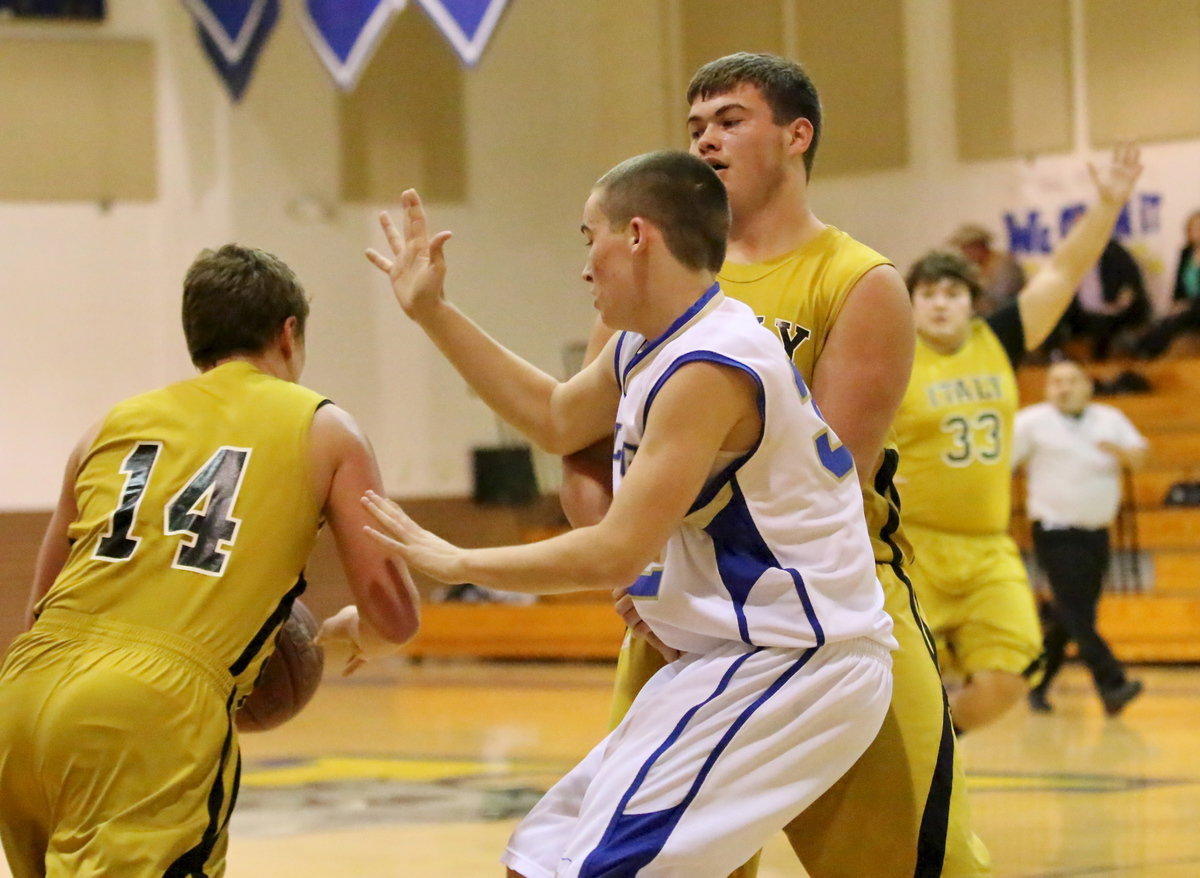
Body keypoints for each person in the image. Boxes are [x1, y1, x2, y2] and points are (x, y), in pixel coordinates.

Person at [363, 151, 897, 878]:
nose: (585, 265)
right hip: (734, 657)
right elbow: (554, 418)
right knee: (539, 861)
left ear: (637, 236)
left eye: (590, 237)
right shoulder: (656, 344)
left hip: (796, 664)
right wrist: (431, 311)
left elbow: (615, 551)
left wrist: (458, 562)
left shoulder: (711, 363)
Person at [563, 52, 990, 877]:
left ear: (799, 136)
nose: (706, 141)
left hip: (827, 614)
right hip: (677, 616)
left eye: (729, 120)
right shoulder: (649, 277)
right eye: (694, 128)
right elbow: (579, 446)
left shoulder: (857, 280)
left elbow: (828, 485)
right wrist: (630, 575)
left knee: (909, 863)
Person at [0, 245, 421, 878]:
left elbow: (42, 603)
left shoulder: (109, 426)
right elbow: (395, 614)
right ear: (288, 333)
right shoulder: (325, 426)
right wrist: (354, 633)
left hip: (24, 694)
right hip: (148, 714)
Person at [893, 144, 1144, 733]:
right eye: (927, 293)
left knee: (1010, 680)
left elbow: (1063, 270)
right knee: (890, 686)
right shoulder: (891, 356)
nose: (940, 302)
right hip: (909, 549)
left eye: (952, 292)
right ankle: (902, 771)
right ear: (909, 302)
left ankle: (934, 748)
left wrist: (1106, 208)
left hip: (985, 546)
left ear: (972, 301)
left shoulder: (997, 338)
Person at [1014, 359, 1147, 715]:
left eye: (1071, 381)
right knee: (1074, 610)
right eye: (1056, 381)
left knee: (1071, 614)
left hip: (1097, 533)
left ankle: (1037, 683)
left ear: (1087, 385)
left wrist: (1122, 454)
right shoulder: (1030, 422)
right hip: (1055, 531)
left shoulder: (1110, 419)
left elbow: (1140, 457)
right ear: (1047, 388)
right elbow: (1001, 463)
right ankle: (1112, 681)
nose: (1064, 388)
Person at [1057, 236, 1150, 360]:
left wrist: (1119, 304)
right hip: (1081, 314)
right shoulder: (1071, 258)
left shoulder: (1114, 252)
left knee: (1101, 325)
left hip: (1110, 310)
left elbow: (1131, 285)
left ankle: (1099, 363)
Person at [1136, 209, 1200, 358]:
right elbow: (1179, 286)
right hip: (1187, 307)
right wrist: (1176, 304)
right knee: (1165, 319)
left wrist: (1188, 305)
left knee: (1179, 319)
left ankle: (1147, 350)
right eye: (1194, 229)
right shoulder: (1186, 253)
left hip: (1194, 306)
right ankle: (1143, 349)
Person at [950, 222, 1027, 316]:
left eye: (965, 249)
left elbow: (999, 300)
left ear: (978, 246)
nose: (964, 254)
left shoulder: (1003, 265)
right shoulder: (979, 266)